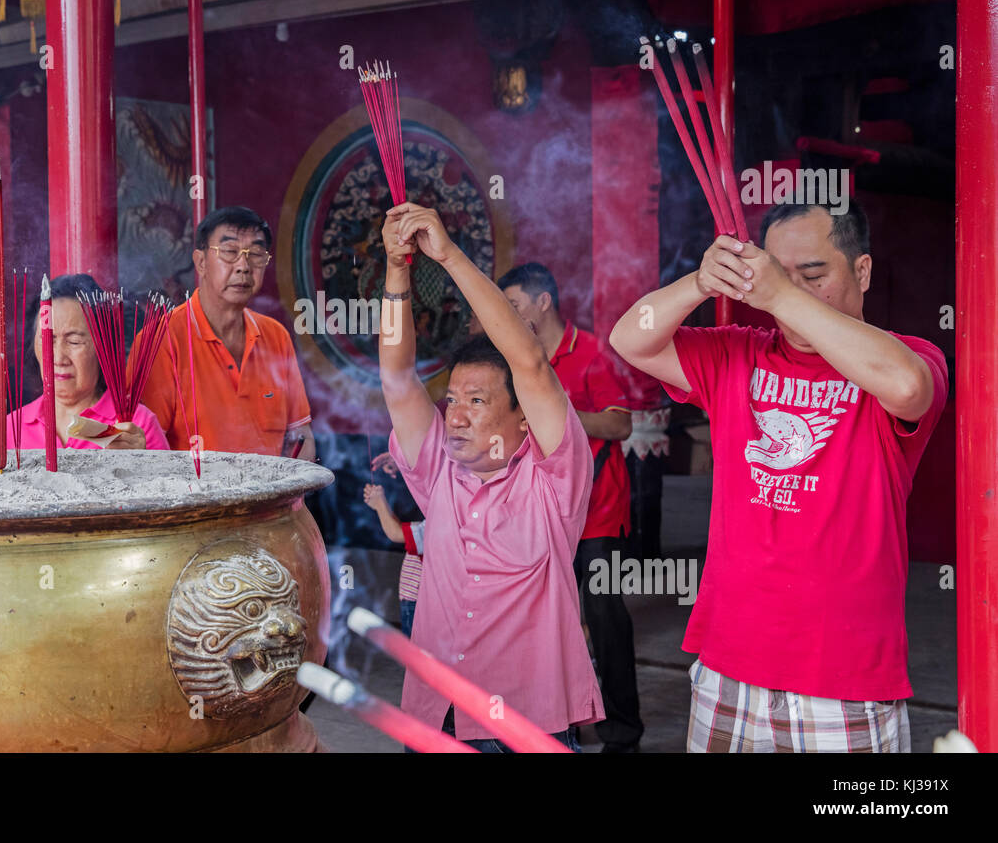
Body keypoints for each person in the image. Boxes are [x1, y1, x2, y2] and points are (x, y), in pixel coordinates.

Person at [609, 201, 947, 753]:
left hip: (843, 678)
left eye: (812, 275)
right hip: (729, 663)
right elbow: (631, 337)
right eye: (775, 276)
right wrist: (698, 283)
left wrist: (776, 292)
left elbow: (908, 388)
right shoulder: (738, 353)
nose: (787, 294)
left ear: (861, 271)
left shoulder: (909, 356)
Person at [379, 201, 602, 753]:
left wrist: (448, 254)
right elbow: (397, 377)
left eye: (476, 401)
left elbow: (528, 361)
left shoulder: (553, 483)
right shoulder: (438, 471)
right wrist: (397, 267)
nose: (454, 415)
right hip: (437, 718)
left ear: (522, 416)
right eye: (452, 399)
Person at [499, 261, 643, 753]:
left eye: (514, 305)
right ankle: (561, 724)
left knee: (604, 619)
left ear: (543, 302)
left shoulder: (592, 354)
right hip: (546, 515)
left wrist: (553, 411)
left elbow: (620, 425)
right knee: (545, 621)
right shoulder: (515, 358)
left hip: (600, 513)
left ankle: (623, 736)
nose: (508, 314)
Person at [133, 206, 314, 459]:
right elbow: (146, 450)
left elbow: (300, 435)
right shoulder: (161, 341)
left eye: (256, 254)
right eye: (230, 252)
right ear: (201, 262)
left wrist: (295, 497)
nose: (244, 266)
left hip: (271, 497)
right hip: (196, 497)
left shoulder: (276, 336)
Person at [0, 273, 168, 453]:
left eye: (74, 342)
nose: (59, 358)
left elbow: (164, 481)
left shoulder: (135, 424)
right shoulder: (13, 427)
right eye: (47, 340)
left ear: (103, 348)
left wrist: (141, 462)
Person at [363, 480, 424, 637]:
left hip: (418, 602)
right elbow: (406, 531)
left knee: (416, 654)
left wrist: (380, 504)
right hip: (415, 599)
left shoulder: (443, 520)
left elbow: (396, 533)